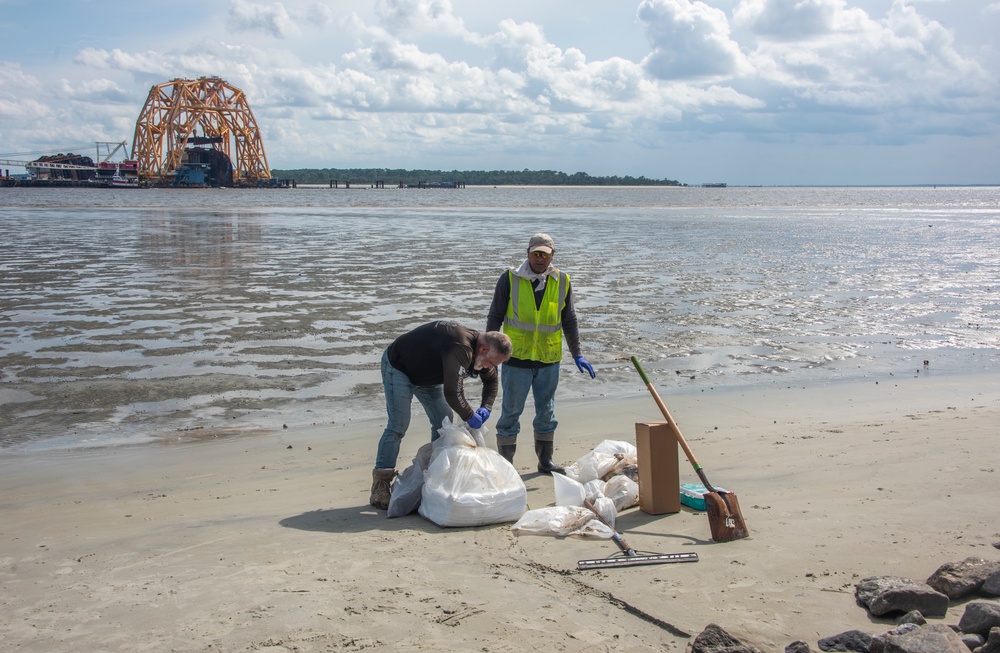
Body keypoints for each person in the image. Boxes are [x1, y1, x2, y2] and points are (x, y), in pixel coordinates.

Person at [369, 320, 513, 510]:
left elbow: (492, 383)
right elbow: (453, 393)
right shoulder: (460, 346)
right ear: (484, 348)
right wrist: (470, 416)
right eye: (491, 361)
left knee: (442, 419)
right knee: (398, 424)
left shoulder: (483, 353)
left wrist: (486, 407)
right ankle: (380, 485)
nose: (490, 367)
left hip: (427, 377)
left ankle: (434, 475)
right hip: (399, 367)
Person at [486, 233, 596, 475]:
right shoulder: (510, 279)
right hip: (515, 360)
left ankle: (545, 462)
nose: (539, 258)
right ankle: (507, 467)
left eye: (544, 254)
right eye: (535, 253)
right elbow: (495, 316)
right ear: (527, 253)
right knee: (510, 413)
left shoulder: (563, 281)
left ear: (552, 256)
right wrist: (489, 354)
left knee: (547, 412)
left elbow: (570, 320)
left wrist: (577, 353)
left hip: (548, 360)